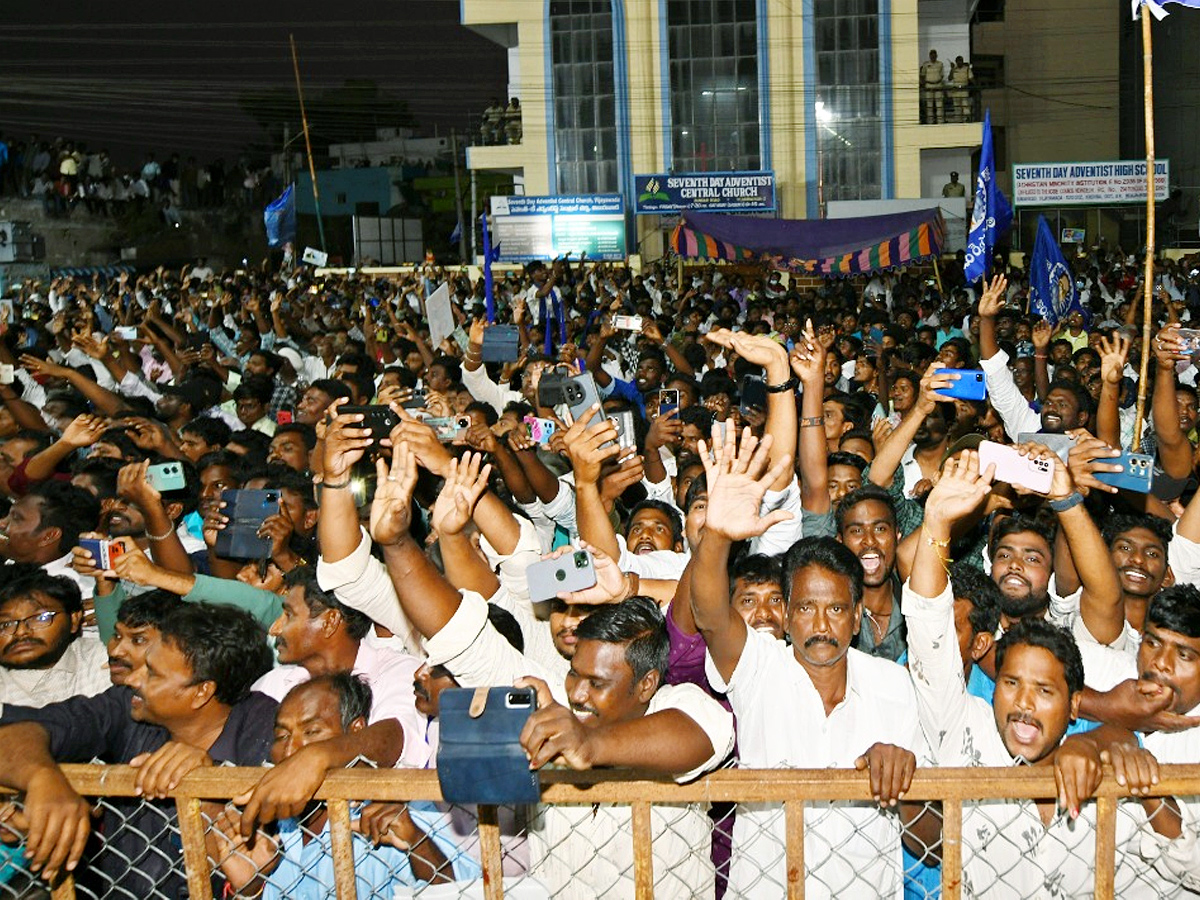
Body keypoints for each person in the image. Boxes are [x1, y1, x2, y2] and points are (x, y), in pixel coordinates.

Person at [903, 449, 1179, 896]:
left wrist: (1119, 753)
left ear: (1074, 705)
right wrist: (936, 520)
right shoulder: (961, 729)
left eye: (1045, 690)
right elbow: (927, 629)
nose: (1024, 703)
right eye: (1010, 684)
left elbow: (1181, 868)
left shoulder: (1104, 773)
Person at [690, 425, 934, 898]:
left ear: (858, 613)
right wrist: (717, 537)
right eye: (805, 607)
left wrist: (905, 783)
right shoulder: (758, 667)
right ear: (784, 612)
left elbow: (932, 842)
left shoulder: (896, 685)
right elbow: (709, 614)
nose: (821, 623)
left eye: (837, 608)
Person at [0, 604, 275, 892]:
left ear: (201, 692)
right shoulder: (126, 705)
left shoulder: (266, 724)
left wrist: (208, 784)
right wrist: (42, 778)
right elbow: (17, 733)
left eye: (153, 674)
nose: (132, 679)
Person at [208, 674, 476, 899]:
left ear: (356, 731)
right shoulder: (271, 824)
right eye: (282, 736)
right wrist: (251, 887)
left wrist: (417, 842)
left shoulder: (396, 807)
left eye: (312, 732)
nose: (291, 751)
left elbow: (464, 892)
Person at [0, 567, 108, 705]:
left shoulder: (106, 661)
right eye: (5, 625)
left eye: (40, 617)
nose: (21, 632)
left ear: (74, 620)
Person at [921, 50, 945, 124]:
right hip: (929, 86)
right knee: (929, 105)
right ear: (930, 56)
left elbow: (942, 75)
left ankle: (940, 121)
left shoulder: (940, 64)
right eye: (931, 55)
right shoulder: (925, 64)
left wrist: (937, 81)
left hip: (938, 85)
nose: (933, 57)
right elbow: (922, 75)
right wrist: (925, 83)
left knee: (939, 105)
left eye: (934, 55)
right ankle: (930, 121)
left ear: (936, 56)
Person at [948, 56, 972, 122]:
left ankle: (966, 120)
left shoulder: (966, 69)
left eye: (960, 61)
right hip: (955, 90)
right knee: (957, 107)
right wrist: (952, 69)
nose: (959, 62)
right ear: (956, 62)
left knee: (965, 105)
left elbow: (971, 78)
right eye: (958, 61)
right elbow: (949, 78)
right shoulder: (954, 69)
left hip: (964, 89)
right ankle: (958, 121)